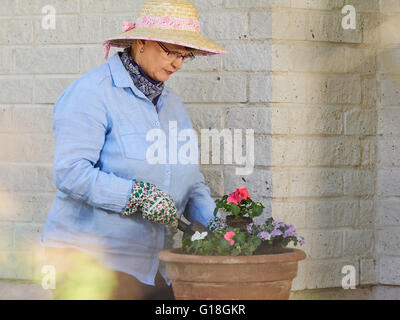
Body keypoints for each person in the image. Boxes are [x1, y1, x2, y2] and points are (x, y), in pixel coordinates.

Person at [40, 0, 228, 300]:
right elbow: (70, 172)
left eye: (185, 55)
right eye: (171, 51)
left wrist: (224, 231)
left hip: (155, 268)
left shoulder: (173, 106)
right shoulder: (91, 93)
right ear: (141, 41)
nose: (178, 63)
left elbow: (192, 183)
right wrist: (135, 196)